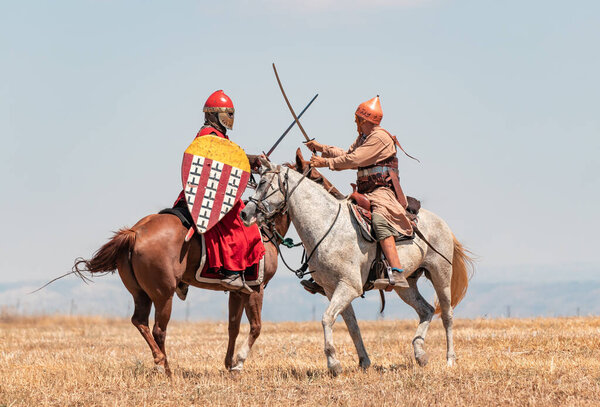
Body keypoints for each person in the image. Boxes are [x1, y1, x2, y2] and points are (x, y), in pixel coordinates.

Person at [306, 95, 413, 289]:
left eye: (357, 118)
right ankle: (328, 274)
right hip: (365, 192)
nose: (355, 122)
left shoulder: (380, 137)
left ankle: (396, 271)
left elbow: (355, 160)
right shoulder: (364, 138)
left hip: (382, 192)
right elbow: (347, 155)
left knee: (379, 219)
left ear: (364, 120)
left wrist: (326, 163)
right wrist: (322, 148)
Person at [174, 90, 265, 297]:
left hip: (195, 194)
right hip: (210, 196)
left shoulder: (214, 137)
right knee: (244, 227)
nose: (230, 118)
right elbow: (223, 164)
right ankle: (232, 272)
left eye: (231, 113)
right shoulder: (210, 137)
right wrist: (248, 160)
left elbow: (231, 160)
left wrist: (250, 161)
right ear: (213, 114)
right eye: (227, 113)